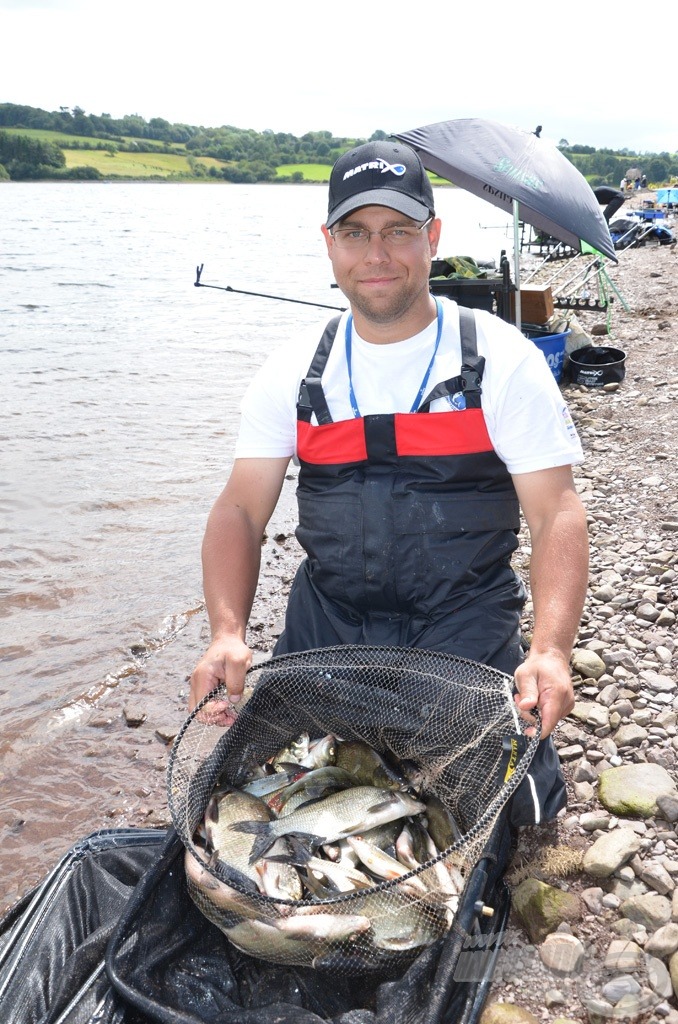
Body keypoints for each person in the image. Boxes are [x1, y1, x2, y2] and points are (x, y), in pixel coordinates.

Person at [190, 140, 589, 823]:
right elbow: (239, 511)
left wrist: (549, 653)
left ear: (433, 237)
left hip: (462, 633)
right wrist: (226, 631)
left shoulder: (501, 359)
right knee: (242, 800)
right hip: (327, 631)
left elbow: (558, 516)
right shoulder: (294, 370)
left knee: (515, 815)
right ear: (330, 244)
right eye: (356, 233)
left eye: (399, 231)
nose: (377, 254)